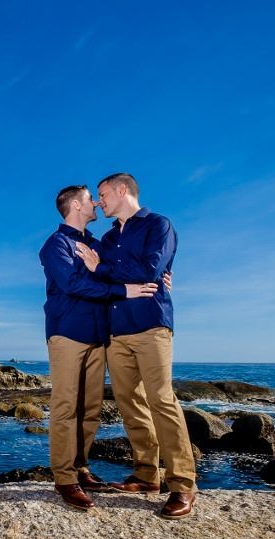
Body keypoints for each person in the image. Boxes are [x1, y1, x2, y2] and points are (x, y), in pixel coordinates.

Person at [75, 173, 197, 519]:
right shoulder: (108, 237)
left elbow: (150, 269)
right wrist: (104, 269)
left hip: (151, 325)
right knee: (131, 405)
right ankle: (146, 475)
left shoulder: (158, 225)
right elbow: (87, 271)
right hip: (116, 330)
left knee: (161, 400)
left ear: (122, 190)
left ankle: (183, 485)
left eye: (102, 194)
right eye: (96, 197)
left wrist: (105, 268)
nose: (99, 202)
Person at [40, 185, 158, 511]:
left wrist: (164, 275)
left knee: (90, 410)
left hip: (98, 337)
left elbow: (123, 268)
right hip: (66, 334)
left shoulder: (97, 244)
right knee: (65, 407)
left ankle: (80, 467)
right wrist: (123, 291)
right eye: (91, 198)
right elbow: (74, 284)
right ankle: (65, 479)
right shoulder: (56, 245)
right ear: (77, 205)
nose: (96, 202)